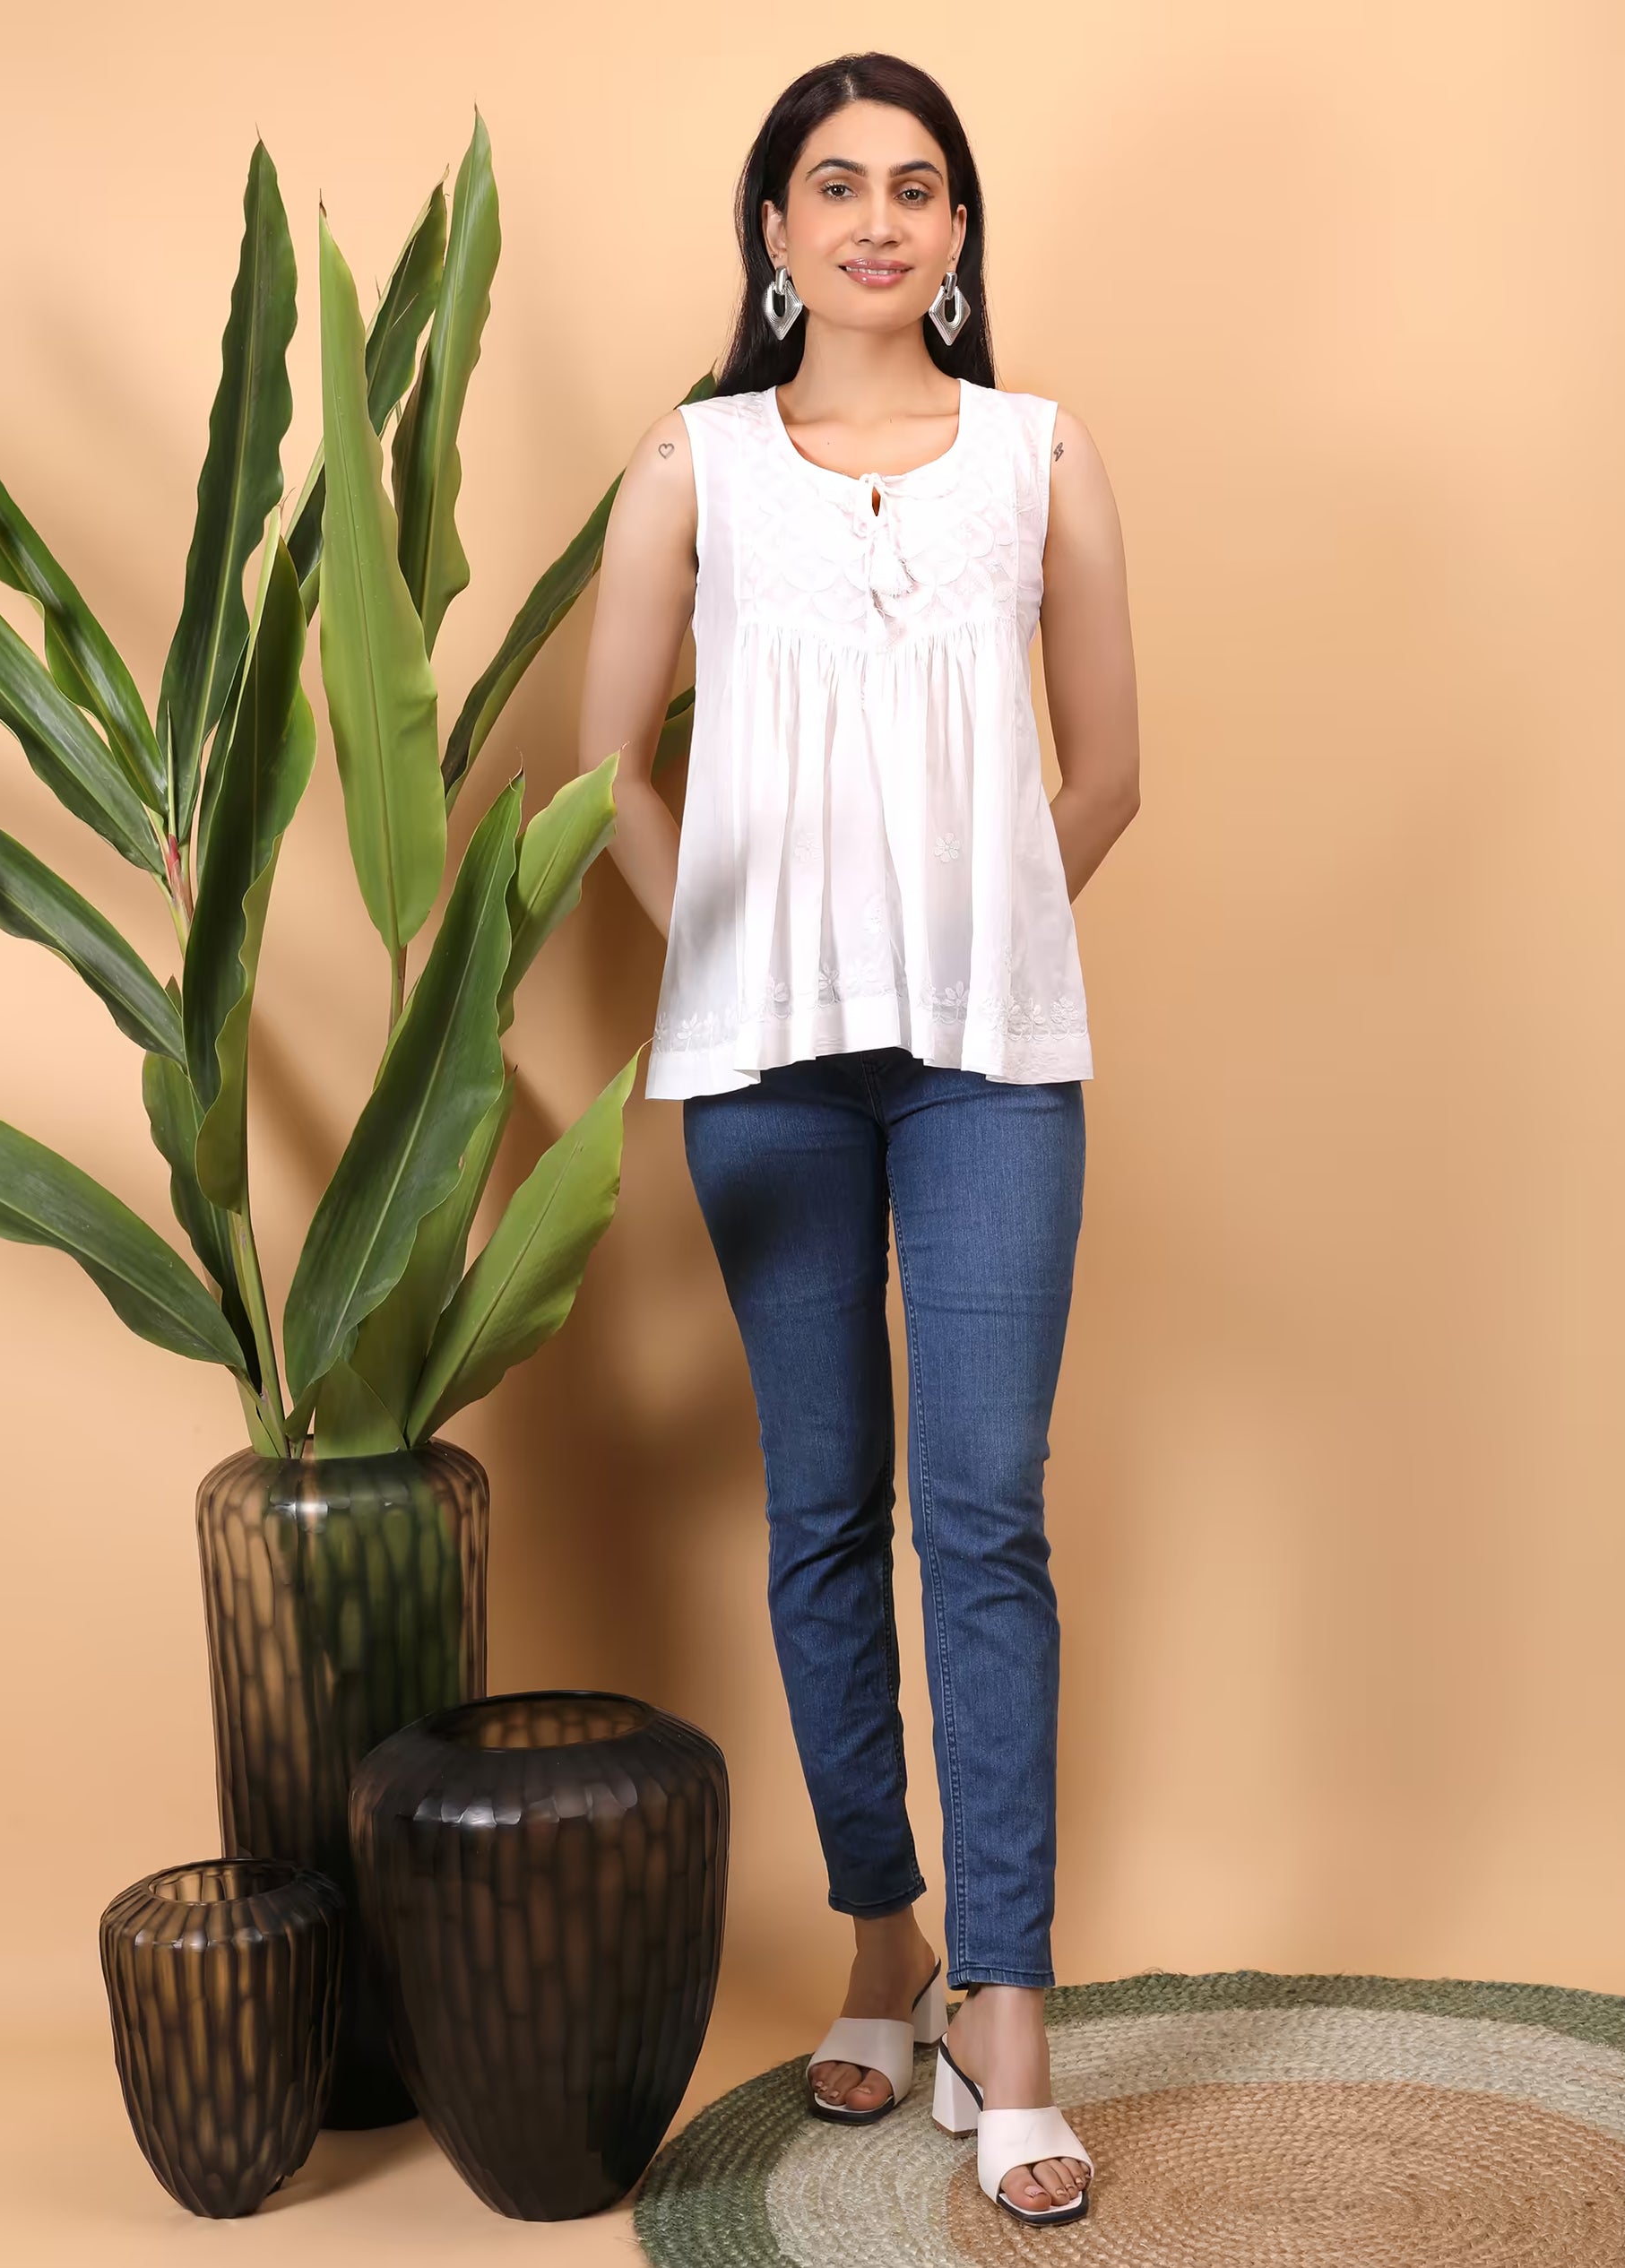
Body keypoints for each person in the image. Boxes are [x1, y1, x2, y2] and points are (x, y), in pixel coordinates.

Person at [577, 49, 1139, 2229]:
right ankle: (881, 1936)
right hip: (767, 1072)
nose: (882, 221)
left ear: (960, 234)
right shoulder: (696, 462)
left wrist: (972, 940)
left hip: (989, 1058)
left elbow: (1100, 770)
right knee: (824, 1512)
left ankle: (1005, 2006)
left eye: (919, 188)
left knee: (979, 1513)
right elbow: (605, 764)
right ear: (774, 232)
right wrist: (727, 966)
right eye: (838, 187)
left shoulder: (1043, 456)